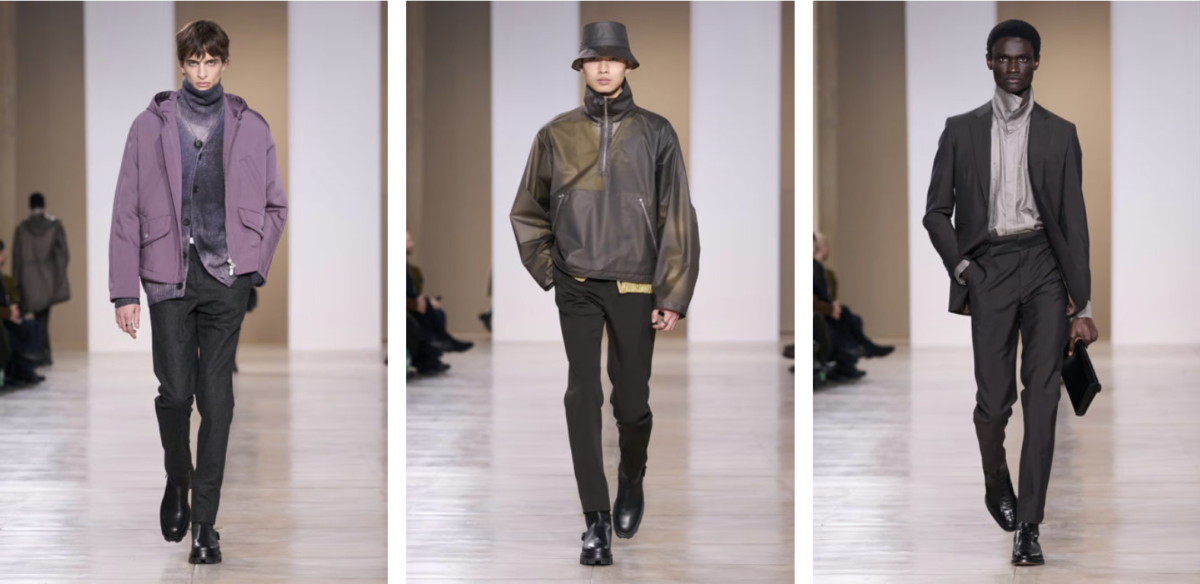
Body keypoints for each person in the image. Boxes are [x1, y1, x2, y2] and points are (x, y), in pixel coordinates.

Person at [510, 21, 700, 567]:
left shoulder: (656, 132)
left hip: (636, 282)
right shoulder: (556, 134)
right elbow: (528, 208)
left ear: (628, 66)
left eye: (613, 60)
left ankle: (631, 475)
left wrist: (672, 292)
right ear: (582, 67)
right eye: (594, 59)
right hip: (577, 282)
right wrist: (550, 268)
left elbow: (676, 213)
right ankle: (595, 519)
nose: (603, 68)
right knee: (582, 393)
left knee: (632, 404)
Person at [107, 20, 287, 564]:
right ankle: (176, 477)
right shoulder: (148, 125)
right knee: (175, 393)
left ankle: (205, 522)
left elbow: (276, 205)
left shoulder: (251, 127)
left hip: (226, 278)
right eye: (194, 62)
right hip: (167, 275)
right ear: (182, 63)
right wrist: (124, 292)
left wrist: (252, 265)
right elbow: (125, 208)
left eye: (211, 62)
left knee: (218, 400)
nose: (203, 72)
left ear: (224, 63)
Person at [922, 20, 1098, 567]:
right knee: (993, 403)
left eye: (1023, 58)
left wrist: (1083, 303)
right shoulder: (961, 130)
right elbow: (935, 212)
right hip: (989, 269)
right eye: (1004, 58)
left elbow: (1073, 221)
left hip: (1044, 266)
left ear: (1037, 62)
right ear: (989, 61)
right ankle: (995, 475)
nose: (1013, 67)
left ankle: (1029, 525)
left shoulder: (1061, 133)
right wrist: (964, 269)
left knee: (1042, 397)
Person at [813, 233, 894, 362]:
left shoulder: (820, 269)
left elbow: (827, 296)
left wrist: (832, 307)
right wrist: (831, 309)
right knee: (844, 317)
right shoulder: (815, 268)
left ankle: (858, 351)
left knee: (847, 315)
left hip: (824, 310)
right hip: (819, 313)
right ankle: (859, 350)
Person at [12, 192, 70, 366]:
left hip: (27, 280)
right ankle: (42, 354)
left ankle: (31, 354)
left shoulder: (22, 229)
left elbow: (16, 259)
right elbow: (64, 255)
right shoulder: (54, 226)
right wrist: (55, 275)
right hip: (47, 281)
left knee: (20, 319)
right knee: (42, 321)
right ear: (44, 204)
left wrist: (16, 284)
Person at [405, 231, 474, 357]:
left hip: (412, 305)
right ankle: (443, 341)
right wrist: (416, 304)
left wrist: (422, 301)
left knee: (435, 310)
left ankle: (440, 346)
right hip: (409, 309)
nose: (412, 243)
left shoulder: (409, 268)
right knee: (428, 309)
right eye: (408, 241)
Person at [0, 240, 45, 387]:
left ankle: (26, 369)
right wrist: (9, 313)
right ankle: (22, 370)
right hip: (4, 320)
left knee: (32, 325)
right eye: (3, 253)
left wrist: (12, 310)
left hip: (6, 318)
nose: (5, 256)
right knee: (25, 328)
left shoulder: (4, 277)